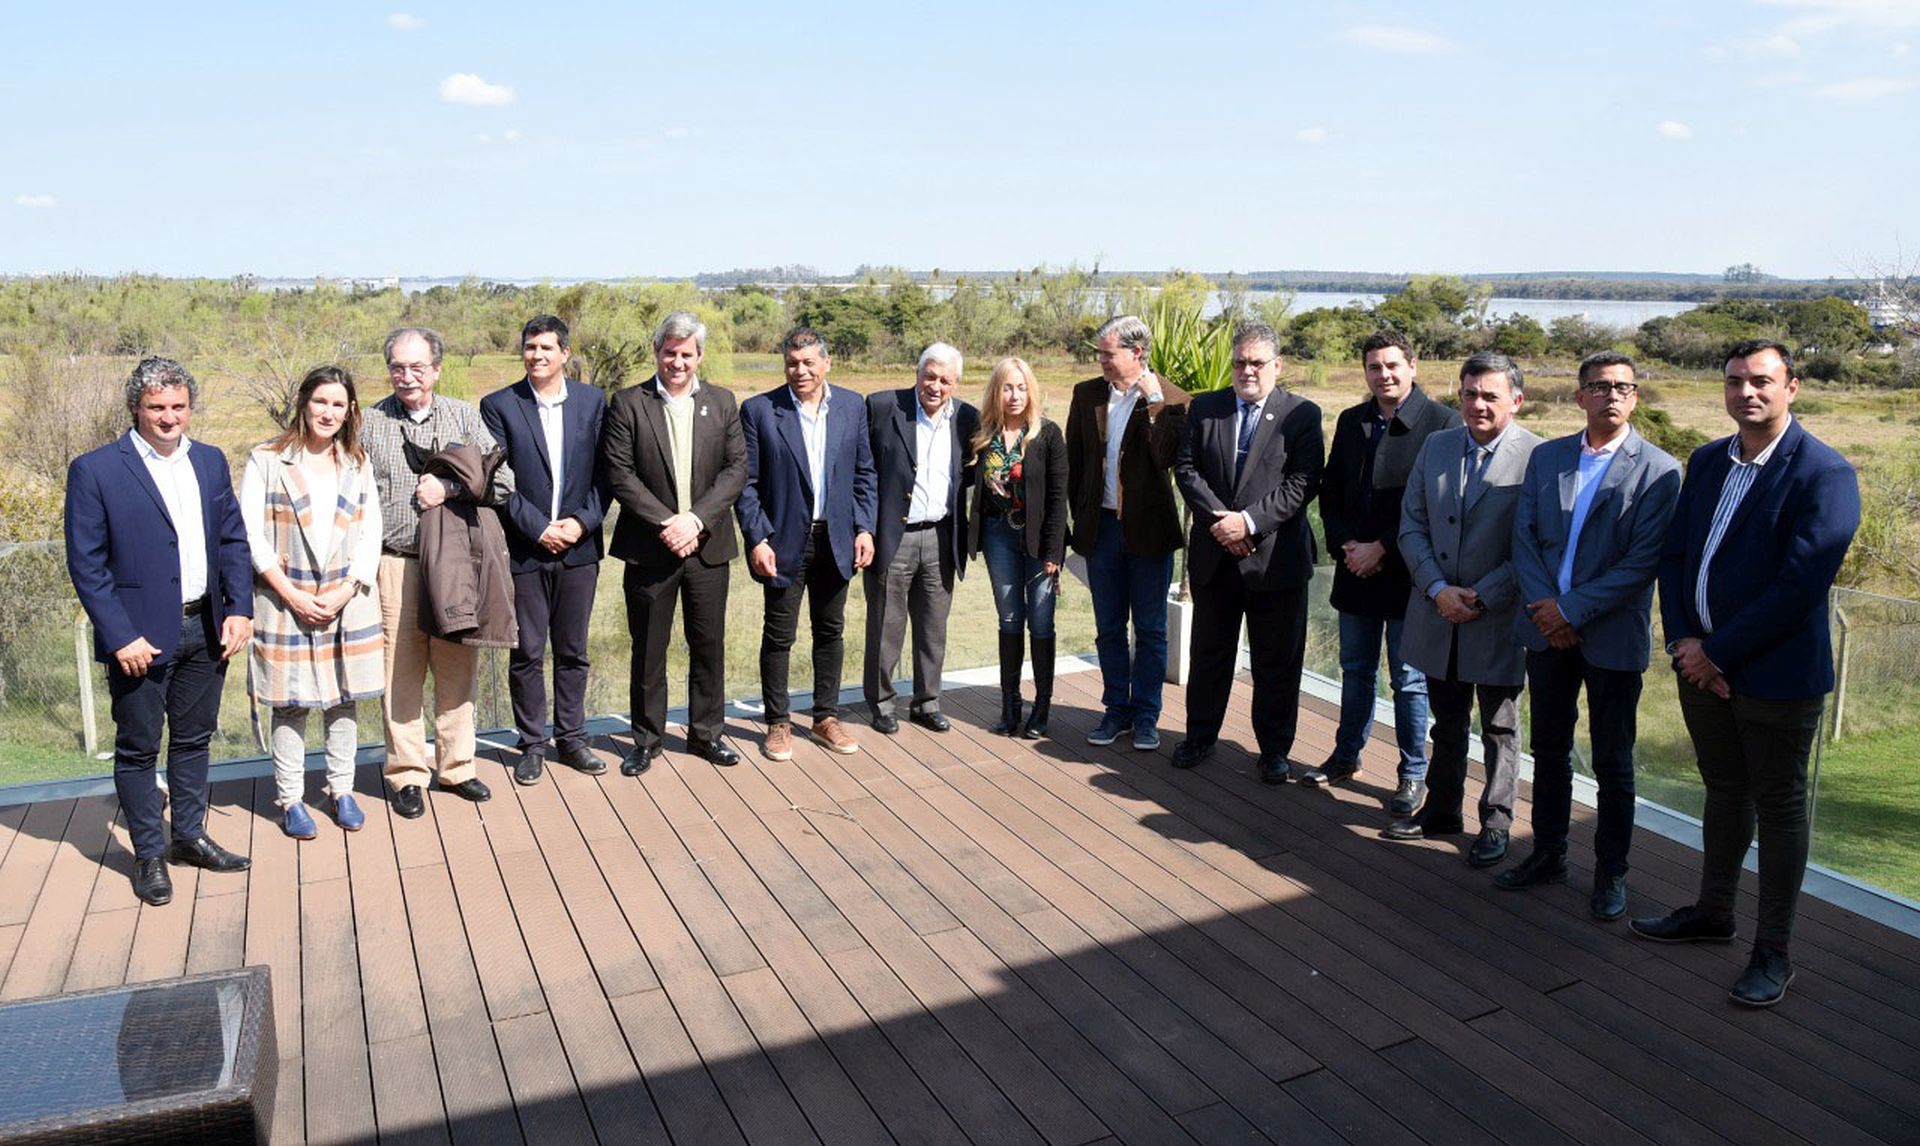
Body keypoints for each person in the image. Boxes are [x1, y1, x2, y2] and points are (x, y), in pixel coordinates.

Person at [1632, 339, 1860, 1008]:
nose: (1746, 392)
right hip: (1700, 668)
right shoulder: (1708, 461)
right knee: (1725, 791)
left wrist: (1718, 653)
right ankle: (1714, 912)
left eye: (1761, 380)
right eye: (1735, 381)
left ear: (1793, 387)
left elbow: (1800, 586)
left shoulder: (1824, 473)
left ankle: (1774, 953)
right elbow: (1675, 557)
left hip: (1775, 677)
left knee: (1780, 809)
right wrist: (1685, 642)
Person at [66, 357, 254, 905]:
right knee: (139, 748)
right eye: (156, 407)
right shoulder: (96, 470)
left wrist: (239, 609)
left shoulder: (211, 461)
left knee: (194, 739)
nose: (169, 417)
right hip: (138, 640)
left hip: (207, 627)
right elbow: (87, 564)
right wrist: (119, 635)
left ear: (190, 407)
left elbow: (232, 541)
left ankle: (189, 836)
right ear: (135, 408)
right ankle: (149, 854)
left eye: (178, 406)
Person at [1500, 351, 1681, 919]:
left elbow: (1641, 563)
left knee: (1613, 763)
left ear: (1636, 397)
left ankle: (1611, 872)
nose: (1613, 395)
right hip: (1546, 631)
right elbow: (1524, 539)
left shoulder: (1660, 471)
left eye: (1624, 387)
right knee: (1549, 751)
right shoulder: (1548, 457)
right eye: (1600, 387)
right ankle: (1549, 852)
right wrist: (1547, 613)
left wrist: (1570, 613)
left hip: (1611, 638)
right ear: (1580, 396)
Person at [1386, 352, 1541, 868]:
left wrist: (1481, 595)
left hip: (1496, 617)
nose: (1478, 404)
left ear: (1516, 401)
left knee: (1500, 727)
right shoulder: (1437, 445)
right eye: (1470, 393)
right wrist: (1437, 589)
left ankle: (1496, 822)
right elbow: (1411, 524)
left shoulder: (1536, 457)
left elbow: (1534, 545)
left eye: (1490, 395)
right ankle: (1442, 811)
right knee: (1447, 721)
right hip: (1438, 612)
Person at [361, 327, 515, 819]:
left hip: (456, 565)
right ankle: (407, 773)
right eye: (398, 367)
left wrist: (449, 490)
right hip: (396, 563)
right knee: (399, 672)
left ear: (437, 369)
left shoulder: (464, 417)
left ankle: (458, 767)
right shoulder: (369, 423)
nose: (407, 377)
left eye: (417, 367)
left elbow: (504, 483)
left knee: (457, 668)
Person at [1307, 329, 1458, 807]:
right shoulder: (1353, 420)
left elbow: (1437, 505)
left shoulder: (1443, 423)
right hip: (1355, 569)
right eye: (1375, 367)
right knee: (1355, 669)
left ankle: (1412, 774)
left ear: (1413, 366)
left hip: (1409, 575)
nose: (1384, 375)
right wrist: (1347, 545)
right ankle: (1345, 755)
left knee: (1409, 681)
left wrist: (1383, 548)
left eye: (1393, 365)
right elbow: (1331, 490)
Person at [1171, 322, 1323, 783]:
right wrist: (1224, 523)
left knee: (1276, 663)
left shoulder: (1302, 414)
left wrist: (1249, 523)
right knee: (1209, 655)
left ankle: (1274, 750)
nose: (1247, 371)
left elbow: (1303, 482)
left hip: (1274, 561)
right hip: (1216, 556)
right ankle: (1200, 736)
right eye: (1240, 362)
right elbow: (1186, 469)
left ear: (1278, 365)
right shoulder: (1206, 408)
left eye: (1257, 362)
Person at [240, 365, 384, 839]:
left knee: (343, 699)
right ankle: (291, 799)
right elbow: (251, 537)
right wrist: (292, 594)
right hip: (285, 599)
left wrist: (347, 589)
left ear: (350, 411)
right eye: (320, 401)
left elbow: (371, 533)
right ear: (303, 403)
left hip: (346, 599)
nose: (328, 412)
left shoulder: (357, 462)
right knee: (290, 703)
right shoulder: (267, 460)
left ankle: (342, 790)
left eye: (338, 404)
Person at [603, 311, 747, 774]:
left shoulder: (722, 402)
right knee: (649, 649)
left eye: (686, 354)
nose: (677, 362)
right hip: (651, 548)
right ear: (657, 352)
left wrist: (696, 520)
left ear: (699, 356)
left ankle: (707, 735)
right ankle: (646, 740)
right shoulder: (629, 403)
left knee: (708, 645)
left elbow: (736, 470)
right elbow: (619, 473)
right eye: (670, 353)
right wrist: (669, 523)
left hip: (708, 547)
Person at [735, 327, 877, 761]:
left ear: (826, 363)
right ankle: (778, 722)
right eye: (792, 363)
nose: (800, 371)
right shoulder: (759, 411)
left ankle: (825, 718)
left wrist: (864, 528)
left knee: (830, 631)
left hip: (836, 539)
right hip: (781, 543)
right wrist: (757, 537)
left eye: (809, 362)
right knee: (779, 635)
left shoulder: (852, 406)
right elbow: (747, 485)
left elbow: (864, 473)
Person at [479, 315, 609, 786]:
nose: (537, 355)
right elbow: (496, 480)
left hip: (579, 549)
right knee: (527, 652)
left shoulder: (593, 402)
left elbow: (607, 473)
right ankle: (532, 744)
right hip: (525, 551)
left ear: (565, 354)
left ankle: (572, 739)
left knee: (573, 651)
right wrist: (539, 530)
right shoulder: (499, 405)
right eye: (530, 347)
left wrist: (581, 523)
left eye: (546, 348)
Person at [1065, 314, 1191, 750]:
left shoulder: (1173, 398)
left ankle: (1147, 716)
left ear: (1137, 353)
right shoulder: (1086, 394)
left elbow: (1167, 456)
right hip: (1101, 532)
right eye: (1099, 353)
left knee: (1151, 630)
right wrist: (1079, 516)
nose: (1100, 360)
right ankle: (1116, 709)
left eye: (1108, 353)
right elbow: (1075, 461)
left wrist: (1154, 401)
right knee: (1109, 627)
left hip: (1149, 535)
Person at [862, 342, 980, 734]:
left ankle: (927, 702)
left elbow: (978, 467)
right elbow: (863, 471)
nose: (936, 386)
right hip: (892, 536)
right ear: (917, 373)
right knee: (886, 627)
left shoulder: (967, 418)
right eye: (930, 376)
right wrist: (863, 529)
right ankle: (882, 704)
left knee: (933, 627)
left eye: (945, 380)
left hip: (942, 536)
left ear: (956, 383)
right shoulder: (882, 406)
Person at [967, 356, 1068, 738]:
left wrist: (1053, 553)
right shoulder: (984, 434)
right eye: (1007, 387)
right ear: (997, 391)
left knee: (1041, 621)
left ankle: (1041, 707)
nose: (1014, 395)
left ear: (1031, 391)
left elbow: (1058, 498)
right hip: (999, 535)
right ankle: (1010, 706)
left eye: (1022, 387)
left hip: (1039, 540)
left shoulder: (1048, 434)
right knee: (1009, 620)